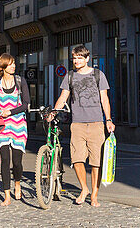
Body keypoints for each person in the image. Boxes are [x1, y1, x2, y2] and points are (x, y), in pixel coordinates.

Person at [48, 45, 114, 207]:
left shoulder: (99, 75)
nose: (76, 61)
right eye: (74, 58)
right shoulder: (70, 77)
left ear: (87, 58)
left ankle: (94, 196)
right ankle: (84, 189)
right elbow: (63, 96)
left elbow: (104, 99)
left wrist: (109, 119)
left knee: (96, 162)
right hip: (77, 124)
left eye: (79, 58)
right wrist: (54, 112)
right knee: (77, 159)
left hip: (97, 123)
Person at [0, 53, 30, 206]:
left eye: (14, 63)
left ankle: (17, 183)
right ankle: (7, 195)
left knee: (16, 162)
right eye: (10, 64)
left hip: (19, 124)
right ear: (2, 67)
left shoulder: (20, 81)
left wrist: (11, 111)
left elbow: (26, 104)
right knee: (5, 159)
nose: (13, 66)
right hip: (2, 124)